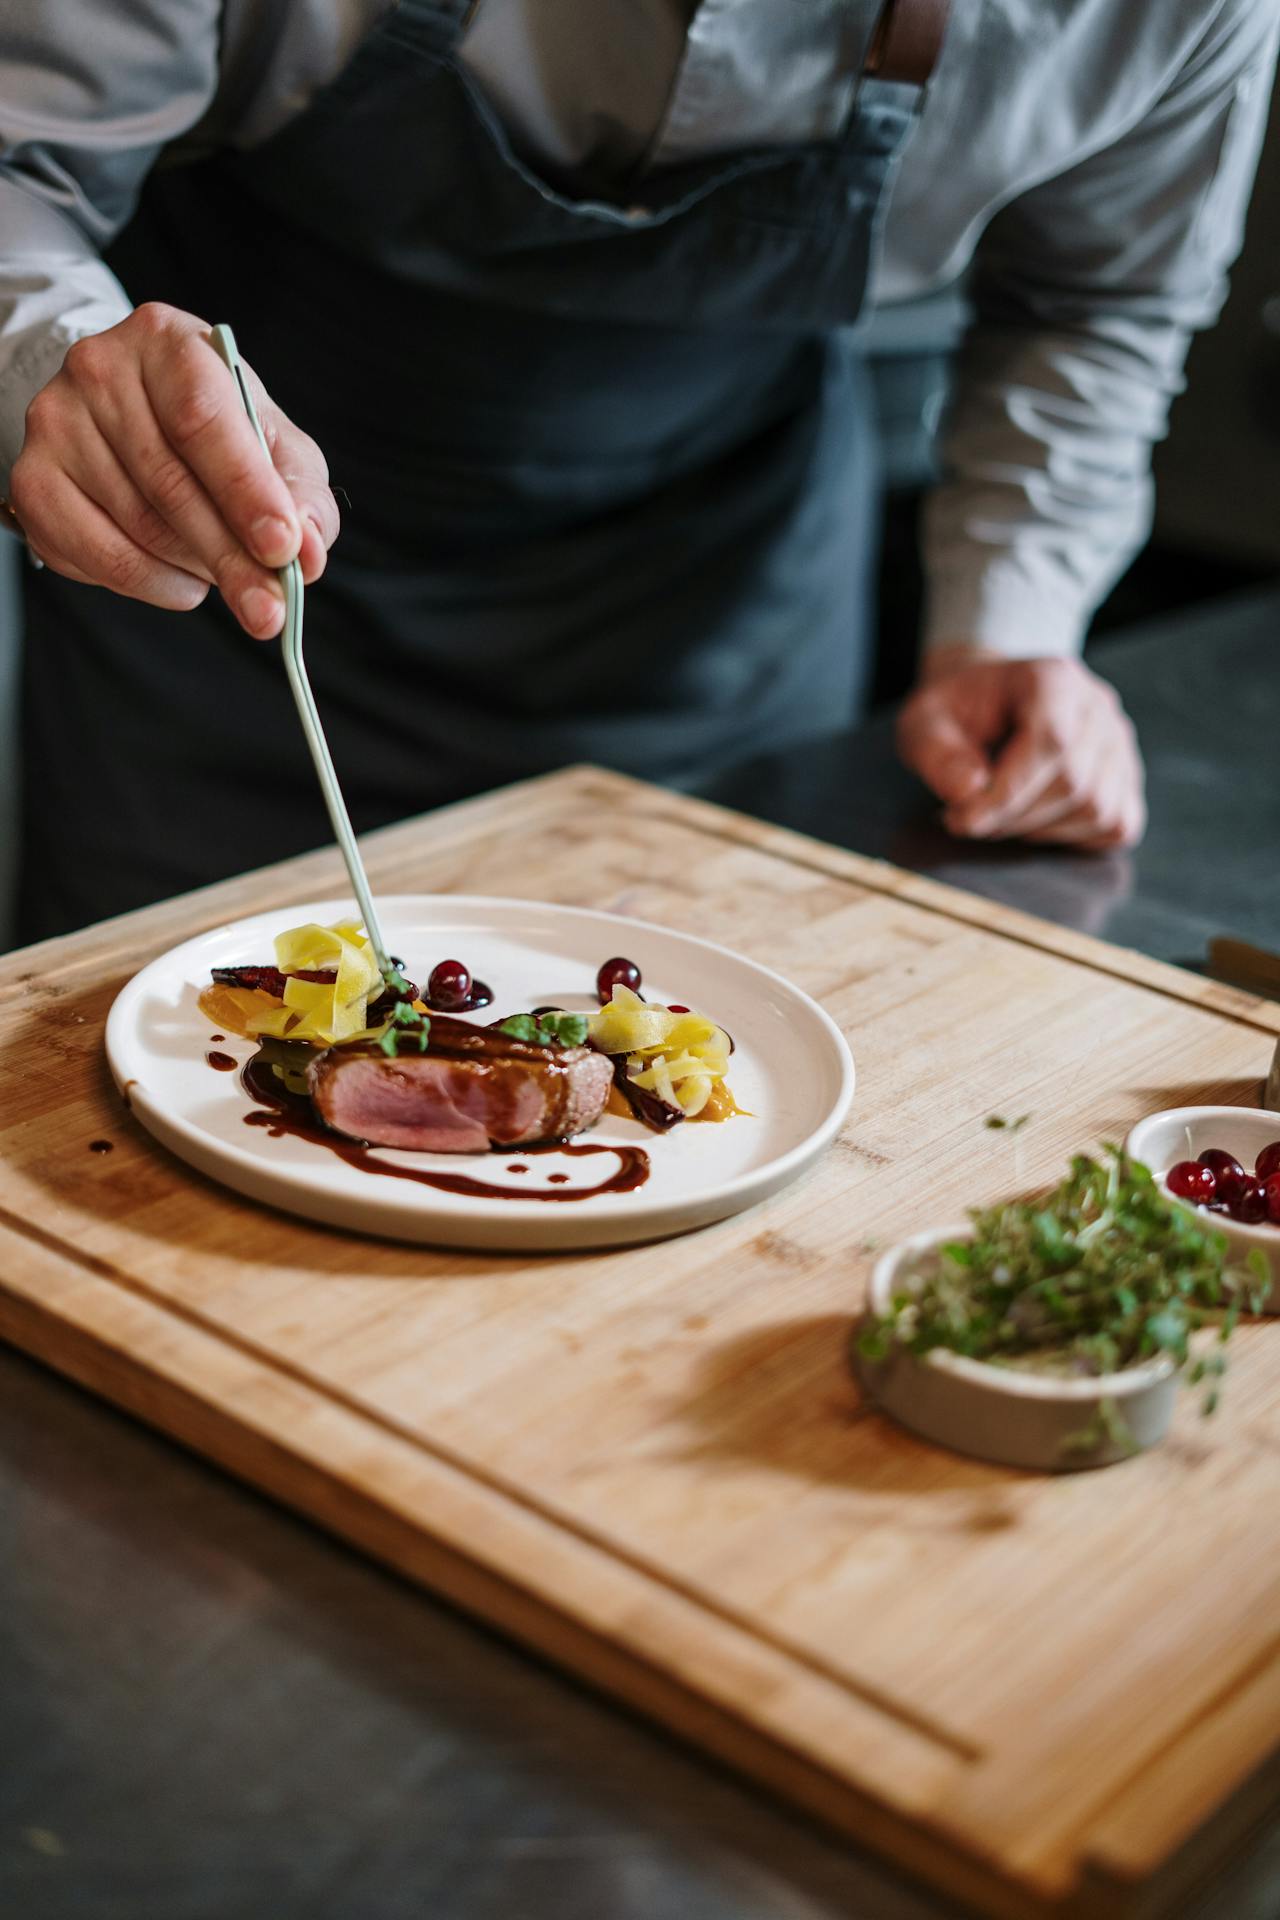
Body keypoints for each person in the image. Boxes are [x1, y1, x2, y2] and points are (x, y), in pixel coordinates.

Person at [1, 1, 1275, 941]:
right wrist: (53, 355)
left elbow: (1091, 304)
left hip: (720, 605)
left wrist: (1010, 621)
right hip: (218, 597)